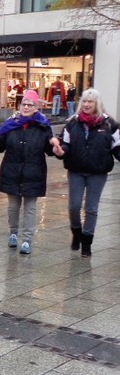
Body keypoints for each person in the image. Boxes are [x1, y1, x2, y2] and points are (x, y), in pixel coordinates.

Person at [0, 90, 56, 255]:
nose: (26, 107)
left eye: (30, 105)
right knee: (13, 206)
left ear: (37, 108)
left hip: (33, 172)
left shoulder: (43, 126)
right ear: (19, 106)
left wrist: (55, 146)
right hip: (12, 171)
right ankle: (13, 233)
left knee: (30, 207)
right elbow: (1, 144)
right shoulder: (11, 123)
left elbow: (50, 150)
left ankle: (27, 240)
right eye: (24, 104)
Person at [54, 88, 120, 257]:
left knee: (91, 208)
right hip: (76, 170)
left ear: (97, 103)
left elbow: (117, 148)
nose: (86, 104)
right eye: (84, 101)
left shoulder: (109, 124)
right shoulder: (72, 123)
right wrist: (61, 151)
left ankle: (87, 242)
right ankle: (76, 232)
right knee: (74, 206)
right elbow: (65, 145)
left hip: (98, 172)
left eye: (90, 101)